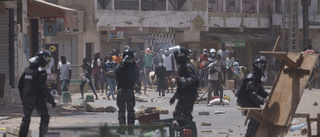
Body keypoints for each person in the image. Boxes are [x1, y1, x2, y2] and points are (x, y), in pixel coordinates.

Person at [18, 50, 56, 137]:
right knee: (45, 116)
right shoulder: (41, 72)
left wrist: (23, 98)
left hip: (27, 97)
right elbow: (43, 88)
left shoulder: (27, 71)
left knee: (25, 119)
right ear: (43, 60)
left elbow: (20, 85)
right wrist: (51, 100)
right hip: (38, 98)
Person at [235, 58, 269, 137]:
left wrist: (268, 95)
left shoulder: (257, 78)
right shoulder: (251, 77)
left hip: (250, 100)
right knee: (256, 117)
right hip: (245, 100)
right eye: (263, 67)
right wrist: (262, 100)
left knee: (260, 116)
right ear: (259, 67)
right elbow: (252, 93)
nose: (264, 69)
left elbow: (260, 91)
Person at [169, 46, 199, 127]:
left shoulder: (188, 65)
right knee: (180, 114)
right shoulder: (182, 66)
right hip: (184, 95)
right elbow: (180, 84)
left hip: (189, 95)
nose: (175, 59)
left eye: (176, 57)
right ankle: (185, 130)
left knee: (183, 114)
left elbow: (194, 77)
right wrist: (174, 97)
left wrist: (183, 81)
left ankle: (187, 130)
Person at [115, 49, 140, 135]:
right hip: (129, 90)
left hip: (121, 90)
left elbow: (116, 74)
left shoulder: (120, 65)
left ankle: (122, 129)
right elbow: (137, 77)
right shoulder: (134, 66)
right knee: (130, 111)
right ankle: (130, 130)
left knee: (121, 111)